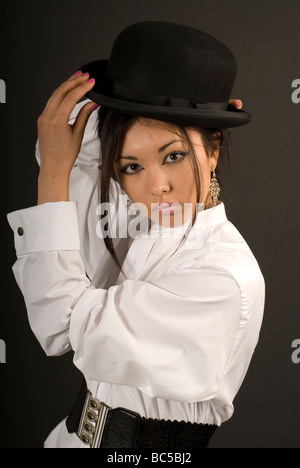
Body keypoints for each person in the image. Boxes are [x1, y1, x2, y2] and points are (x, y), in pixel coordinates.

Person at [7, 21, 265, 448]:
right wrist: (132, 98)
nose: (156, 186)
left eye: (175, 156)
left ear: (214, 148)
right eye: (131, 167)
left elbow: (56, 325)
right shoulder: (142, 226)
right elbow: (84, 157)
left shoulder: (222, 277)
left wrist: (52, 171)